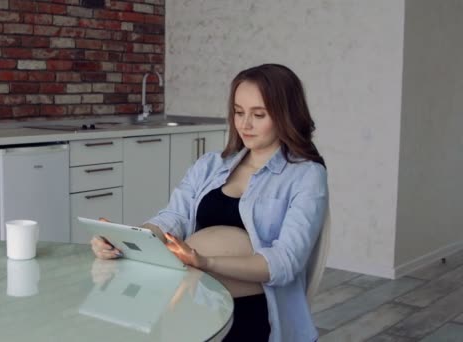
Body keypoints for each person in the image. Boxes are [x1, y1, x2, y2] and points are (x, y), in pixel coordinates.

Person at [91, 64, 328, 342]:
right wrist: (130, 238)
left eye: (258, 114)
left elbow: (286, 262)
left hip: (253, 312)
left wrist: (206, 262)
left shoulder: (306, 175)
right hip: (194, 303)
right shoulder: (211, 165)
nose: (244, 124)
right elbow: (173, 217)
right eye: (239, 112)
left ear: (286, 114)